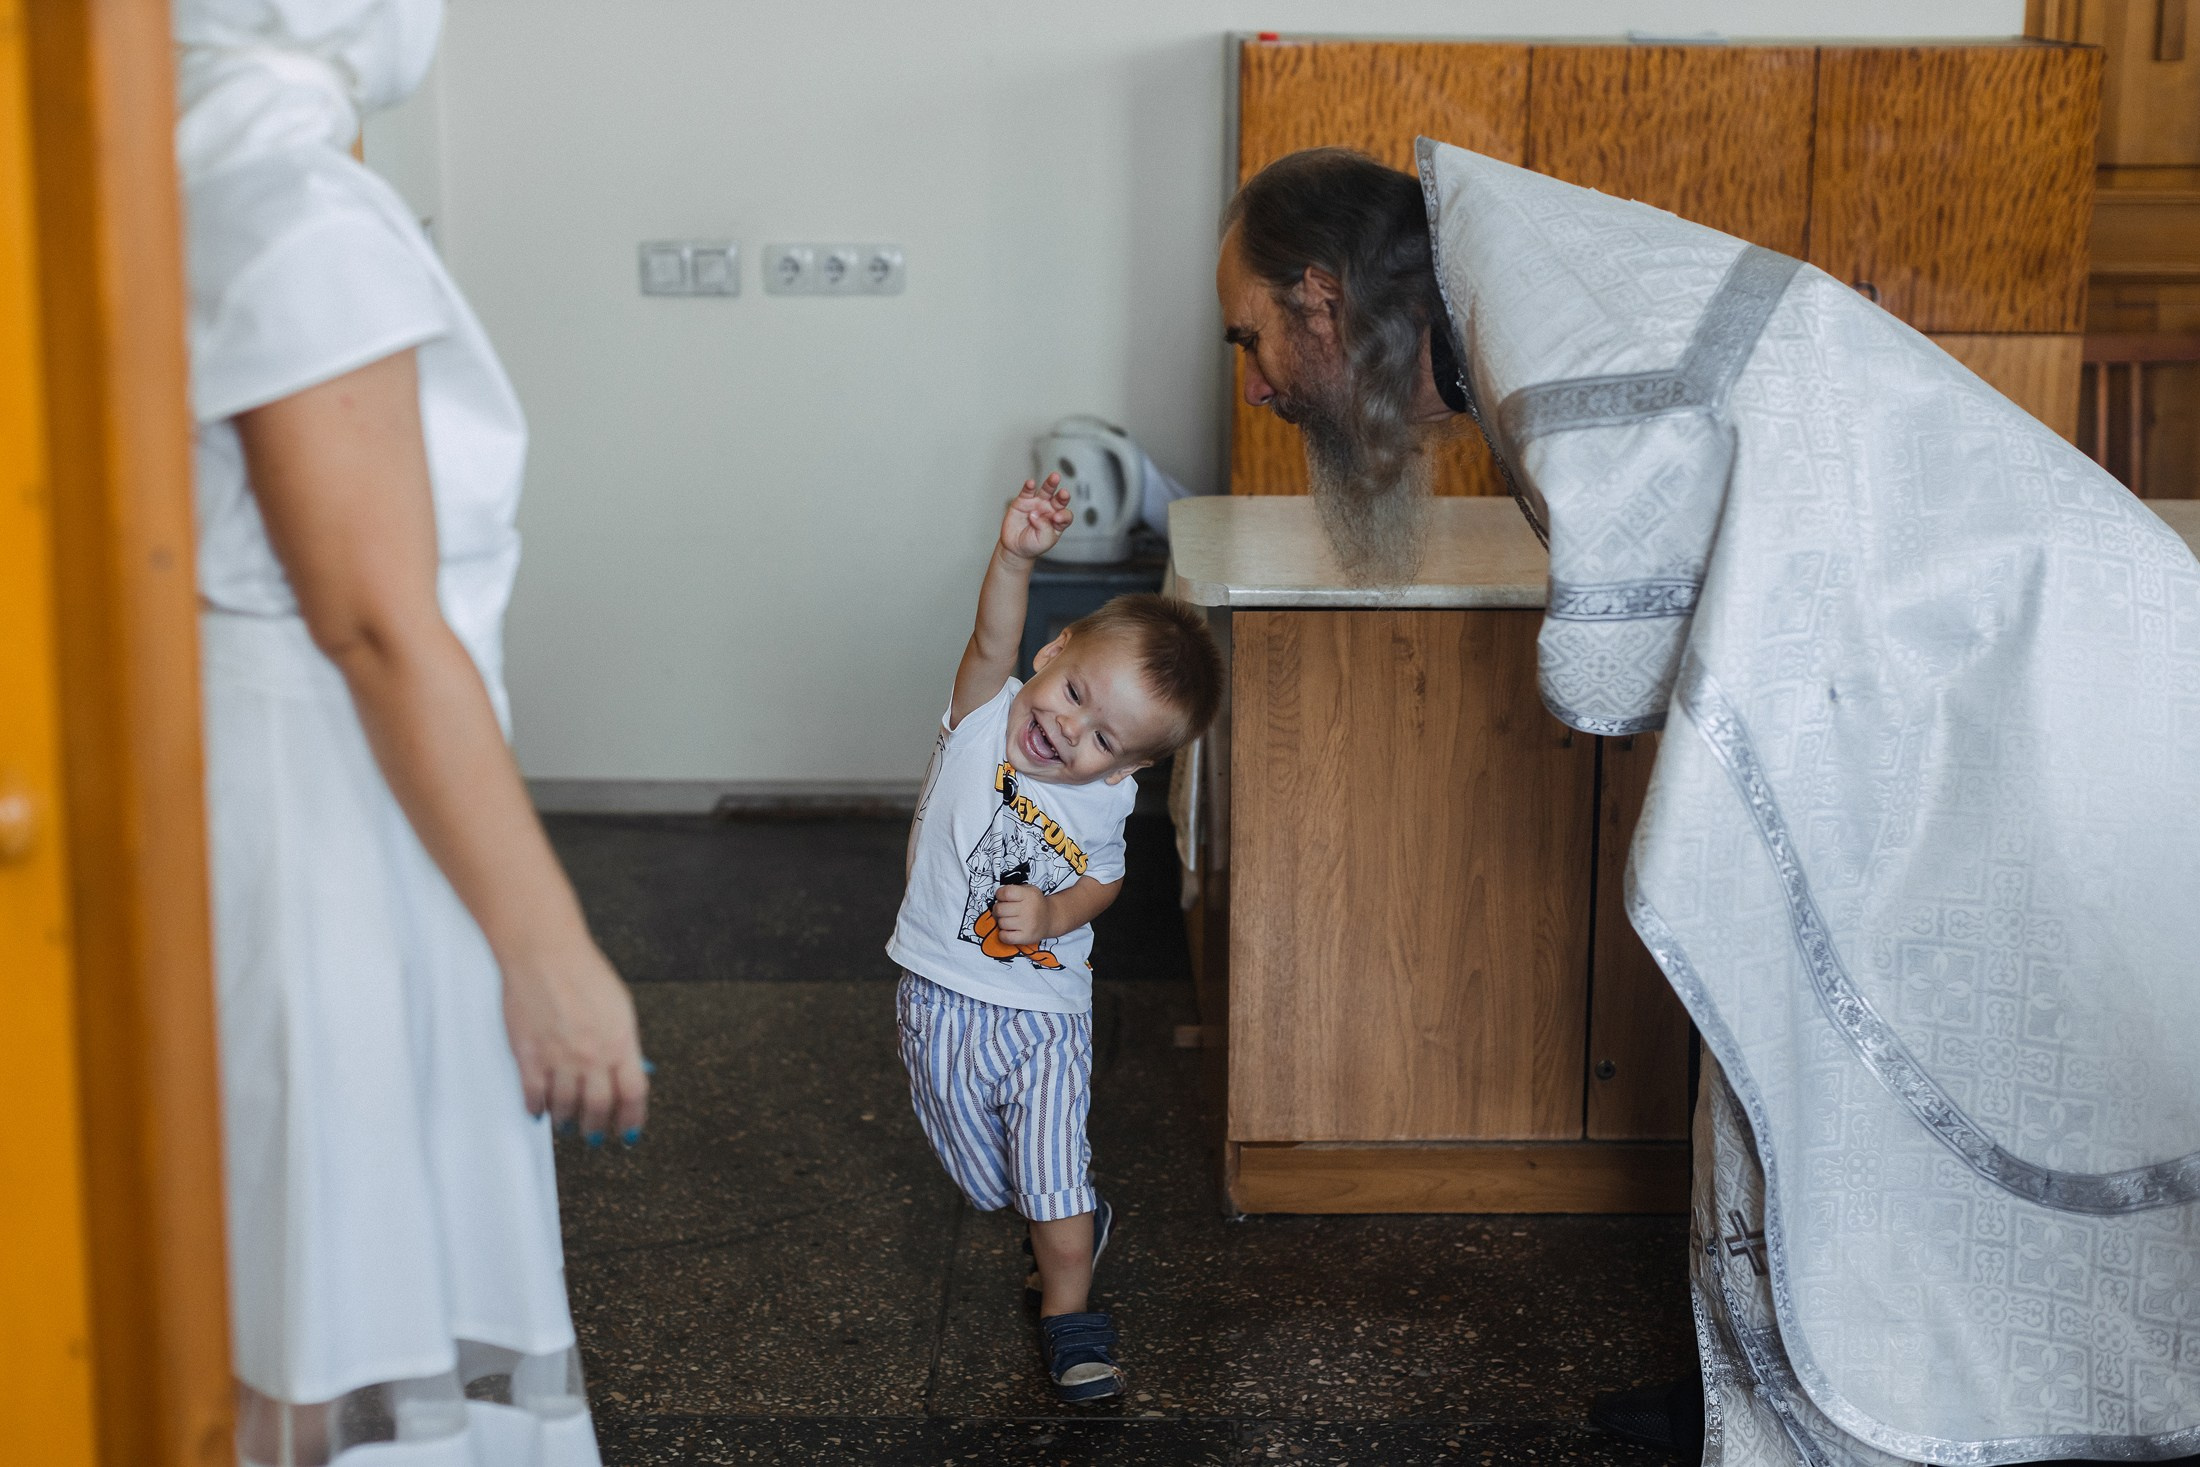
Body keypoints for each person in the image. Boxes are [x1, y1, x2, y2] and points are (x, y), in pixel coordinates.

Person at [1219, 145, 2200, 1464]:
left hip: (2031, 670)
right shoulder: (1529, 304)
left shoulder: (1553, 317)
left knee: (1843, 1038)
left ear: (1320, 296)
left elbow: (1615, 651)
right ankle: (1756, 1379)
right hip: (1976, 658)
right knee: (1769, 1025)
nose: (1255, 381)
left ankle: (1874, 1389)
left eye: (1251, 336)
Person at [177, 2, 647, 1462]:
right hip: (342, 816)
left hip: (267, 787)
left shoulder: (171, 177)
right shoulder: (295, 214)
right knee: (349, 1250)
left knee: (293, 1263)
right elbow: (378, 624)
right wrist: (550, 951)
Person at [885, 473, 1222, 1403]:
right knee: (989, 1180)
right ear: (1052, 649)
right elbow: (991, 638)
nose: (1068, 730)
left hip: (1043, 1017)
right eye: (1073, 693)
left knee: (1052, 1184)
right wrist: (1014, 555)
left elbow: (1104, 879)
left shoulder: (1105, 802)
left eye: (1104, 738)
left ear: (1128, 768)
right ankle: (1059, 1218)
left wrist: (1057, 914)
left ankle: (1070, 1314)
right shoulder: (984, 717)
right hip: (937, 998)